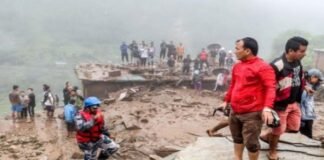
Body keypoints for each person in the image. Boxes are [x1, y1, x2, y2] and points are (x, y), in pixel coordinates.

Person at [223, 37, 276, 160]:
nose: (235, 51)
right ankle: (237, 158)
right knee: (237, 138)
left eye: (237, 49)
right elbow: (233, 84)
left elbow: (270, 88)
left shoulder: (263, 67)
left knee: (251, 143)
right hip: (235, 110)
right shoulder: (237, 66)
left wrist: (267, 108)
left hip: (252, 112)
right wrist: (226, 100)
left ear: (247, 51)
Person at [259, 37, 308, 160]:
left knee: (294, 127)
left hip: (293, 101)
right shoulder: (277, 65)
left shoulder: (297, 61)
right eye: (301, 51)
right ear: (291, 50)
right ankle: (272, 152)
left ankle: (266, 135)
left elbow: (300, 76)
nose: (304, 54)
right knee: (278, 131)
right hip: (280, 103)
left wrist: (305, 87)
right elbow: (267, 84)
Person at [299, 69, 323, 138]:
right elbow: (302, 103)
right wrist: (302, 118)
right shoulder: (305, 87)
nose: (318, 82)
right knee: (306, 136)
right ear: (313, 77)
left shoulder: (309, 86)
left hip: (308, 116)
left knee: (307, 136)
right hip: (305, 117)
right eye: (318, 79)